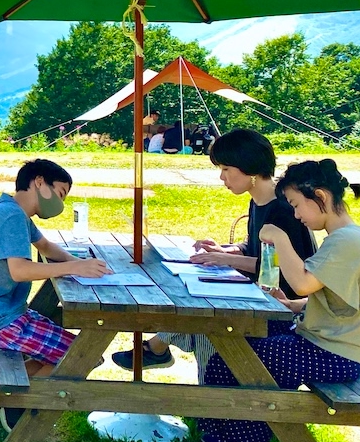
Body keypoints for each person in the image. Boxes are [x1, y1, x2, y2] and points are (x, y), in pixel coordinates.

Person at [183, 158, 360, 442]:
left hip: (337, 354)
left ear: (319, 196)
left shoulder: (347, 241)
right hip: (325, 342)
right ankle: (229, 435)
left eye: (296, 205)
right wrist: (292, 306)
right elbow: (334, 300)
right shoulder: (345, 239)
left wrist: (280, 238)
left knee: (246, 359)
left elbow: (303, 281)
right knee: (233, 351)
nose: (296, 215)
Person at [112, 128, 316, 378]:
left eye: (226, 169)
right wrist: (225, 249)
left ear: (249, 167)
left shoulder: (284, 209)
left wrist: (224, 258)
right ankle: (180, 364)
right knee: (197, 301)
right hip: (258, 293)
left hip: (281, 304)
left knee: (208, 317)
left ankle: (203, 382)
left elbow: (280, 266)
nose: (222, 177)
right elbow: (255, 246)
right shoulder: (258, 200)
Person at [0, 158, 112, 435]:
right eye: (61, 193)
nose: (61, 203)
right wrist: (75, 267)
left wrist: (79, 262)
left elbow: (45, 246)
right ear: (39, 182)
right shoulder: (12, 217)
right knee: (82, 356)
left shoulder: (9, 209)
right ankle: (11, 404)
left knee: (72, 351)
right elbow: (19, 271)